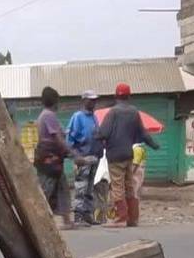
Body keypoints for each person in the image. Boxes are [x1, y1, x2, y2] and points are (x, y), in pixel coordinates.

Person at [95, 83, 159, 227]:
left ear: (116, 96)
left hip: (114, 155)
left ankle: (120, 218)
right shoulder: (134, 112)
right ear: (129, 96)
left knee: (117, 186)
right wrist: (154, 145)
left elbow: (103, 133)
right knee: (129, 185)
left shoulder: (113, 112)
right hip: (129, 155)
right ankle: (133, 218)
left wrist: (95, 135)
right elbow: (143, 133)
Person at [33, 86, 74, 229]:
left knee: (62, 189)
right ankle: (38, 222)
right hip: (50, 160)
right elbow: (57, 137)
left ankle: (66, 221)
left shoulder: (44, 115)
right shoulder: (48, 116)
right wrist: (71, 153)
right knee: (46, 191)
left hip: (52, 160)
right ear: (55, 101)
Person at [66, 90, 103, 226]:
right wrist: (76, 156)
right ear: (83, 101)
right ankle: (78, 216)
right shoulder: (77, 117)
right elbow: (70, 139)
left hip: (94, 157)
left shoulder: (94, 117)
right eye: (91, 100)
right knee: (81, 188)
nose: (93, 102)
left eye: (95, 100)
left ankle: (87, 215)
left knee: (89, 188)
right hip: (83, 157)